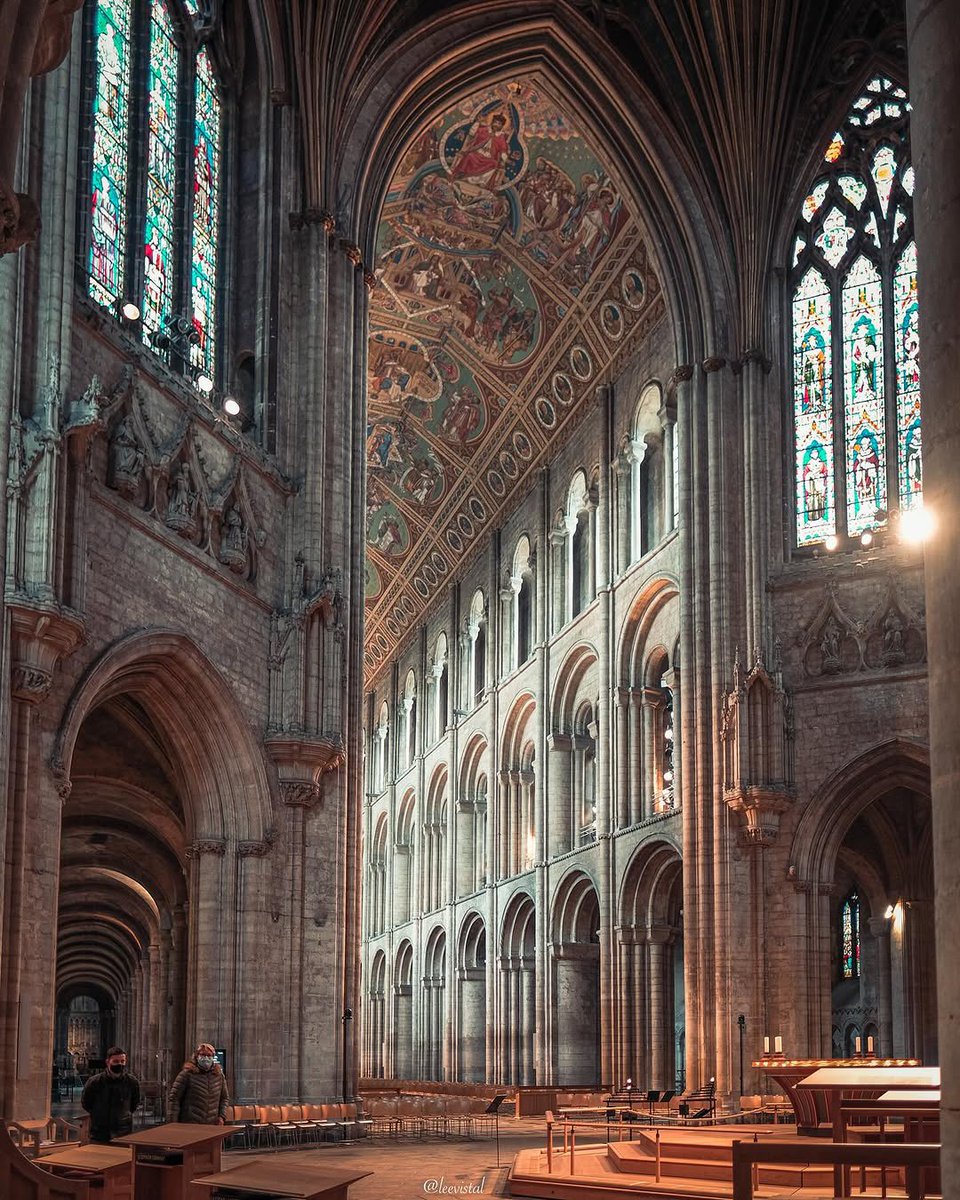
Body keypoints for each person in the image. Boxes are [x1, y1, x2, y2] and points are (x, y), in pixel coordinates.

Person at [80, 1046, 141, 1144]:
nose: (120, 1064)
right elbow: (86, 1103)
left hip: (123, 1131)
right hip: (99, 1132)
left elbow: (134, 1103)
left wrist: (124, 1115)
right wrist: (98, 1114)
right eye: (116, 1061)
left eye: (122, 1061)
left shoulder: (132, 1082)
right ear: (108, 1062)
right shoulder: (94, 1082)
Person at [167, 1043, 228, 1125]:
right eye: (203, 1055)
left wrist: (221, 1116)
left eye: (209, 1055)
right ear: (197, 1056)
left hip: (212, 1124)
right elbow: (174, 1099)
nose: (206, 1058)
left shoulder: (219, 1076)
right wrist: (172, 1123)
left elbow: (224, 1098)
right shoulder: (187, 1074)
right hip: (190, 1123)